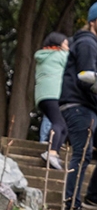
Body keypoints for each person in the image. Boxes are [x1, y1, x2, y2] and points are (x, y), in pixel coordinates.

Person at [59, 1, 97, 210]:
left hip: (90, 108)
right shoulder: (86, 42)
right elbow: (86, 78)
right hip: (78, 105)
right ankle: (71, 203)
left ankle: (93, 196)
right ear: (92, 21)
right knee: (82, 153)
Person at [34, 32, 69, 170]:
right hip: (53, 94)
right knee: (59, 124)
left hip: (41, 97)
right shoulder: (60, 55)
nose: (68, 48)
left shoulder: (43, 56)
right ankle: (52, 153)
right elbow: (75, 64)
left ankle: (53, 150)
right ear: (59, 45)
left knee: (63, 127)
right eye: (66, 44)